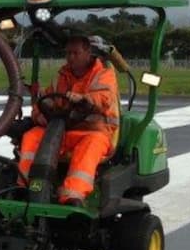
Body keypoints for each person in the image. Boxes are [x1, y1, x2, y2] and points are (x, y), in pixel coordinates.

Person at [16, 34, 120, 205]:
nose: (71, 57)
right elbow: (45, 99)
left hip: (93, 131)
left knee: (90, 146)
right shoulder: (61, 76)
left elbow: (104, 98)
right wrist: (39, 115)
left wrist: (85, 99)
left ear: (88, 53)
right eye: (68, 53)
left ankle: (73, 195)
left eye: (75, 53)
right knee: (32, 135)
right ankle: (25, 187)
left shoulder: (103, 74)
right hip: (62, 131)